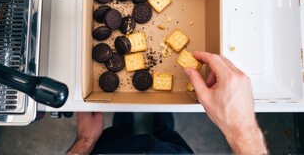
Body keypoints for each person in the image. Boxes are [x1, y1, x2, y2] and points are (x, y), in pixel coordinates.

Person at [66, 51, 268, 154]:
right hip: (172, 150)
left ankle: (127, 123)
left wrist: (85, 142)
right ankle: (161, 125)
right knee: (166, 132)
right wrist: (243, 129)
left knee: (121, 127)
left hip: (112, 147)